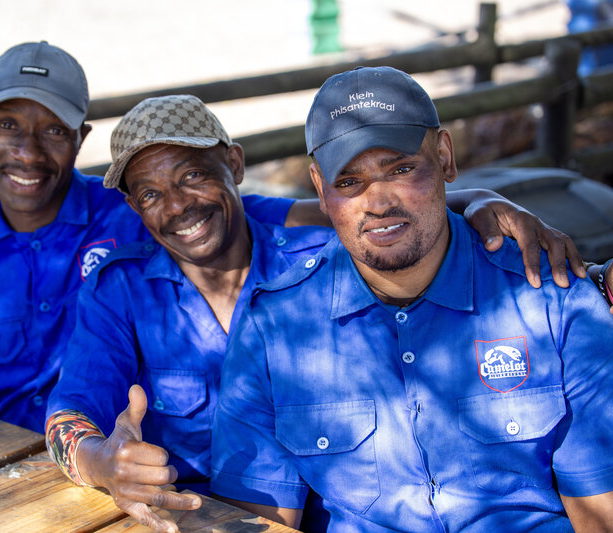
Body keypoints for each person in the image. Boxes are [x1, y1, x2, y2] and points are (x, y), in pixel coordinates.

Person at [0, 40, 587, 435]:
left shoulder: (128, 214)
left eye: (52, 130)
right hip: (47, 471)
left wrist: (476, 200)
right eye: (8, 125)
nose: (28, 152)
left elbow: (342, 209)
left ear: (78, 139)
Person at [43, 95, 606, 533]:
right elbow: (68, 416)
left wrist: (484, 201)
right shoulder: (120, 290)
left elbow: (384, 206)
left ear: (234, 165)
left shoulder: (317, 250)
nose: (178, 205)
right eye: (148, 194)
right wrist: (103, 463)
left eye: (194, 175)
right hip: (197, 511)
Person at [211, 66, 613, 532]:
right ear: (320, 189)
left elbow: (600, 513)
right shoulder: (274, 326)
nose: (378, 202)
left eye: (401, 169)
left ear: (444, 157)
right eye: (348, 182)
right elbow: (255, 520)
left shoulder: (552, 298)